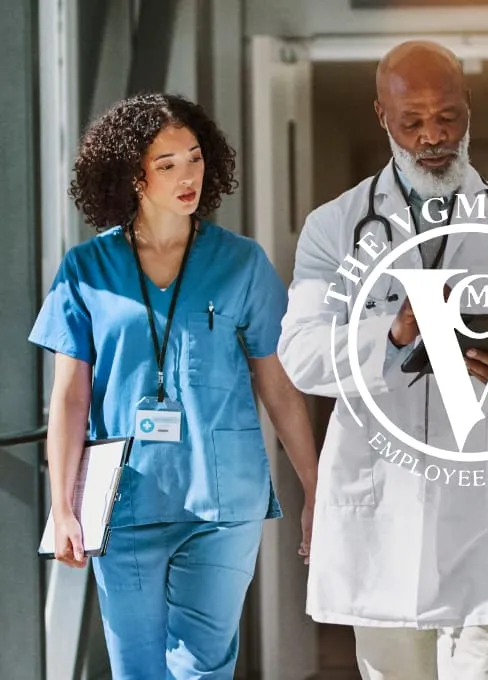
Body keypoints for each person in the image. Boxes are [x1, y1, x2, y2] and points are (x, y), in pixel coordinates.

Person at [277, 40, 488, 679]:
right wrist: (389, 338)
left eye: (447, 117)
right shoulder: (336, 227)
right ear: (380, 116)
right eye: (412, 122)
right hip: (381, 504)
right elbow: (300, 352)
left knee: (483, 669)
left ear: (468, 107)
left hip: (487, 508)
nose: (433, 136)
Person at [28, 93, 319, 678]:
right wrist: (61, 508)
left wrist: (316, 490)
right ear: (130, 175)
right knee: (137, 668)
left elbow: (279, 387)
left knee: (203, 665)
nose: (188, 176)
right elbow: (69, 397)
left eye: (194, 157)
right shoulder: (86, 269)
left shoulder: (241, 263)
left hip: (223, 500)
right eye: (167, 165)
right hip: (126, 502)